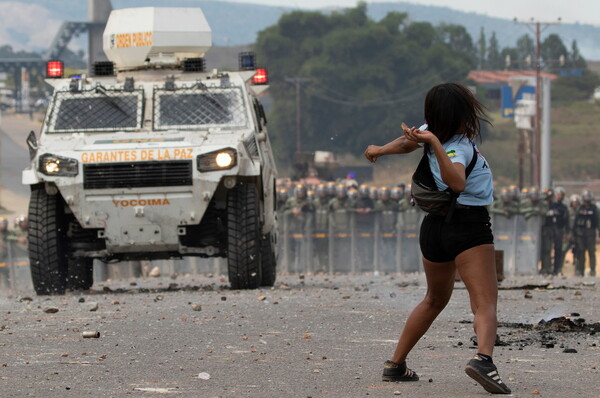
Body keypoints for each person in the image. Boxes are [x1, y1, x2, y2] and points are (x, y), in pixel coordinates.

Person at [364, 83, 510, 394]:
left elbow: (407, 143)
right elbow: (456, 181)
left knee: (434, 299)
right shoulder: (457, 144)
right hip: (468, 225)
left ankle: (396, 364)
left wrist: (379, 149)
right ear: (461, 114)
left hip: (434, 228)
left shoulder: (431, 132)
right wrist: (432, 141)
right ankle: (484, 360)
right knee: (484, 303)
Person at [573, 190, 599, 276]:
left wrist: (598, 235)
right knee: (581, 252)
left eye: (588, 197)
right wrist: (574, 234)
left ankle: (592, 271)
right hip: (580, 233)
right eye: (585, 197)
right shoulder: (580, 208)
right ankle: (580, 270)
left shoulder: (594, 209)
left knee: (591, 252)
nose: (587, 199)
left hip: (591, 233)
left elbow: (598, 222)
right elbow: (575, 222)